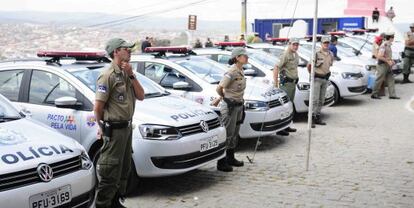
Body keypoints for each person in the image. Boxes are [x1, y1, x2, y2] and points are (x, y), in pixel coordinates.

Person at [94, 38, 145, 208]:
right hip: (114, 131)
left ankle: (115, 201)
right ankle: (103, 204)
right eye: (126, 49)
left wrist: (131, 74)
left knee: (124, 169)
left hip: (126, 128)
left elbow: (141, 95)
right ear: (116, 52)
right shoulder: (107, 76)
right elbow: (98, 108)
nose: (130, 51)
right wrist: (101, 127)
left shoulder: (126, 73)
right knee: (110, 171)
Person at [215, 48, 248, 172]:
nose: (247, 57)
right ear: (237, 57)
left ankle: (230, 158)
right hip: (230, 107)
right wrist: (224, 98)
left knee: (234, 133)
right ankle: (221, 162)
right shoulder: (232, 71)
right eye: (244, 56)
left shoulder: (241, 70)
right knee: (227, 134)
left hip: (238, 105)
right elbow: (219, 88)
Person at [273, 38, 300, 135]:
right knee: (284, 106)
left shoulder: (295, 54)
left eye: (297, 45)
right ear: (289, 44)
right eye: (294, 44)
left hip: (293, 83)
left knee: (289, 105)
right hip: (286, 84)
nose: (295, 46)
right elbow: (276, 67)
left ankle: (286, 125)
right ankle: (280, 129)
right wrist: (275, 83)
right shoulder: (285, 55)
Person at [308, 36, 334, 128]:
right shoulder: (316, 54)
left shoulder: (331, 54)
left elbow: (329, 65)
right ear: (321, 44)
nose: (326, 44)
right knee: (314, 100)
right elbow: (309, 66)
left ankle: (317, 116)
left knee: (321, 100)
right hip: (317, 79)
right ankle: (311, 119)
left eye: (327, 43)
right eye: (324, 43)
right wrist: (312, 76)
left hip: (325, 79)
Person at [371, 32, 400, 100]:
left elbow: (386, 56)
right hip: (382, 65)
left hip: (387, 65)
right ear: (390, 38)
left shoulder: (388, 45)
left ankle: (392, 95)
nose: (393, 38)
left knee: (391, 79)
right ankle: (374, 94)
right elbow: (380, 56)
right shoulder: (384, 45)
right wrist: (388, 61)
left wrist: (391, 60)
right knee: (379, 79)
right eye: (393, 37)